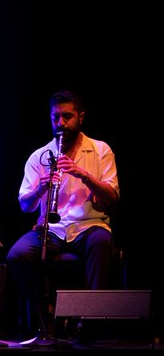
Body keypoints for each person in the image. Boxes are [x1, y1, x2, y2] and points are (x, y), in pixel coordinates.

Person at [8, 90, 119, 333]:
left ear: (81, 117)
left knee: (102, 243)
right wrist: (41, 188)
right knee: (17, 256)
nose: (60, 124)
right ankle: (41, 321)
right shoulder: (39, 156)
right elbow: (25, 205)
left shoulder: (101, 150)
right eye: (55, 117)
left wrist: (84, 175)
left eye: (67, 117)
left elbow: (112, 197)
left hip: (90, 226)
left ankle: (90, 323)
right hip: (53, 229)